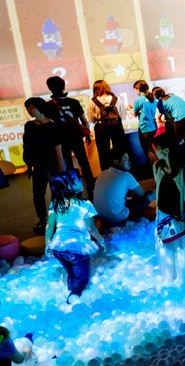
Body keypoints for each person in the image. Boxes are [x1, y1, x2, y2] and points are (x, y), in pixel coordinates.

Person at [44, 170, 105, 303]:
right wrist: (101, 240)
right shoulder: (85, 205)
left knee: (71, 274)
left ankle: (70, 295)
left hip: (58, 247)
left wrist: (47, 244)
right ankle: (73, 299)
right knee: (82, 279)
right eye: (78, 179)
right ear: (70, 186)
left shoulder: (55, 203)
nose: (81, 181)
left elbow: (50, 226)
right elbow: (91, 228)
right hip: (77, 248)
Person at [152, 134, 185, 284]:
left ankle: (183, 282)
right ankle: (169, 279)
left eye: (156, 149)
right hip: (163, 218)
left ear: (166, 151)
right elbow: (158, 190)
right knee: (167, 253)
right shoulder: (157, 167)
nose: (154, 152)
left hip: (180, 220)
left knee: (182, 255)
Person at [47, 75, 95, 198]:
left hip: (60, 140)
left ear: (50, 88)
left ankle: (74, 189)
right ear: (63, 86)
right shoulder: (74, 102)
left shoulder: (48, 106)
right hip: (76, 137)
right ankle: (91, 187)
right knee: (84, 162)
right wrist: (87, 134)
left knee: (67, 165)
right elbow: (84, 121)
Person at [22, 97, 65, 233]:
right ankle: (42, 218)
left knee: (56, 192)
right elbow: (27, 146)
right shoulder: (29, 126)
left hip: (51, 164)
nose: (29, 110)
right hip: (38, 164)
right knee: (37, 193)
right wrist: (29, 165)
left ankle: (58, 218)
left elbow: (58, 149)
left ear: (40, 107)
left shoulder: (53, 126)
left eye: (31, 107)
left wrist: (61, 169)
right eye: (27, 107)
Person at [92, 152, 153, 226]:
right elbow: (142, 194)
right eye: (125, 159)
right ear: (116, 162)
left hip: (101, 217)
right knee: (151, 194)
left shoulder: (102, 173)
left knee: (128, 198)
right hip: (116, 217)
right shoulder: (126, 175)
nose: (129, 162)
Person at [87, 80, 127, 171]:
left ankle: (106, 174)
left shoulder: (92, 101)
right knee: (120, 150)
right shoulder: (116, 99)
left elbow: (91, 119)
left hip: (101, 127)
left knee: (103, 152)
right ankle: (122, 172)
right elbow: (123, 115)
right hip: (116, 126)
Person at [152, 87, 185, 155]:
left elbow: (167, 116)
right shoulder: (173, 96)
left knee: (178, 139)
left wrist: (160, 120)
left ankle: (181, 156)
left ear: (155, 95)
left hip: (181, 119)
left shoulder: (160, 103)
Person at [130, 81, 158, 166]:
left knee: (147, 150)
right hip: (153, 127)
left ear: (138, 89)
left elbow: (134, 114)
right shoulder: (152, 98)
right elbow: (145, 109)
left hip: (144, 128)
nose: (135, 91)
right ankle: (158, 166)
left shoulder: (138, 99)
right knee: (151, 148)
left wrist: (129, 109)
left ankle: (157, 168)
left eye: (135, 89)